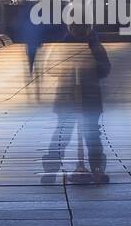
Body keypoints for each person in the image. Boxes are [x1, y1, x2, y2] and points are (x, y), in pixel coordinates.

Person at [41, 23, 111, 184]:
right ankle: (51, 170)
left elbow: (105, 68)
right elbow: (51, 68)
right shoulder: (64, 46)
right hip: (69, 98)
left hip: (89, 97)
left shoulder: (94, 46)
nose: (80, 31)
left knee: (91, 134)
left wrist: (90, 65)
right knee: (63, 134)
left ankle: (97, 169)